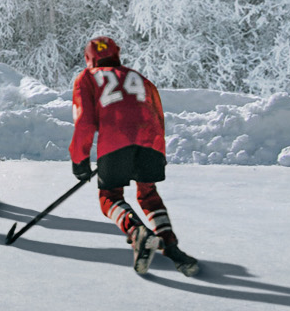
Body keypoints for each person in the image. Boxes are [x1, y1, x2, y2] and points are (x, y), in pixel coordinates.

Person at [68, 36, 200, 276]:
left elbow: (84, 122)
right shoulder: (138, 77)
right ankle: (171, 247)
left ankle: (137, 230)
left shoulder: (87, 78)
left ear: (89, 57)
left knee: (109, 198)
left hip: (115, 140)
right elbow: (157, 110)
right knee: (148, 194)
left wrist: (80, 160)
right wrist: (158, 150)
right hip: (151, 139)